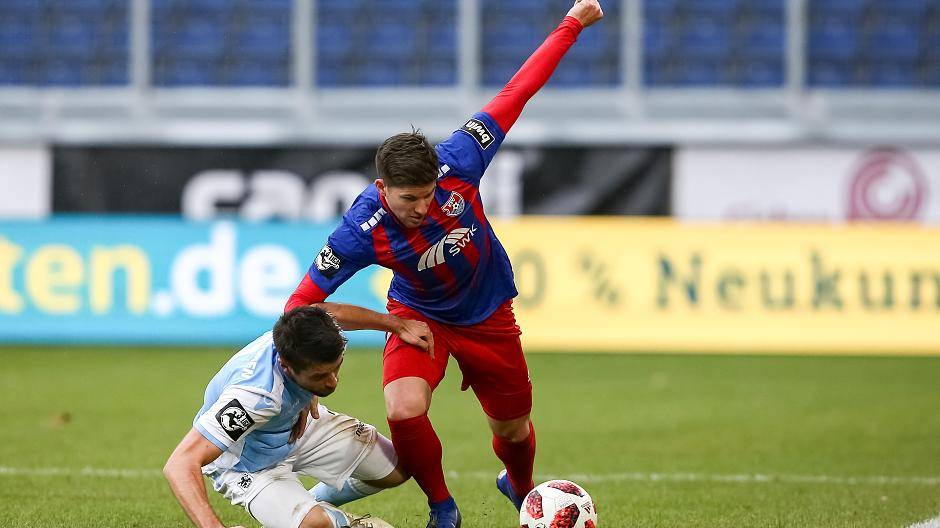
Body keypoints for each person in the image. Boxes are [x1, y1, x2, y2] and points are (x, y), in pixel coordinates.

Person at [285, 2, 605, 527]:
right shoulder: (360, 230)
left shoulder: (460, 158)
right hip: (419, 317)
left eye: (429, 194)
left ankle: (520, 487)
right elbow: (299, 307)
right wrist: (381, 329)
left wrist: (572, 23)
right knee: (403, 409)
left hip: (489, 315)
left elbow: (516, 93)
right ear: (382, 188)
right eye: (408, 198)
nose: (421, 208)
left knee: (513, 429)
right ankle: (442, 507)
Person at [163, 306, 407, 528]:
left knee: (398, 467)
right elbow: (180, 464)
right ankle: (318, 520)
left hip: (296, 426)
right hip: (249, 466)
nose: (332, 382)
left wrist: (397, 325)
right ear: (286, 366)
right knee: (315, 525)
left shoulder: (307, 330)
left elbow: (329, 312)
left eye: (336, 367)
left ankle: (302, 510)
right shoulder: (254, 396)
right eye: (319, 376)